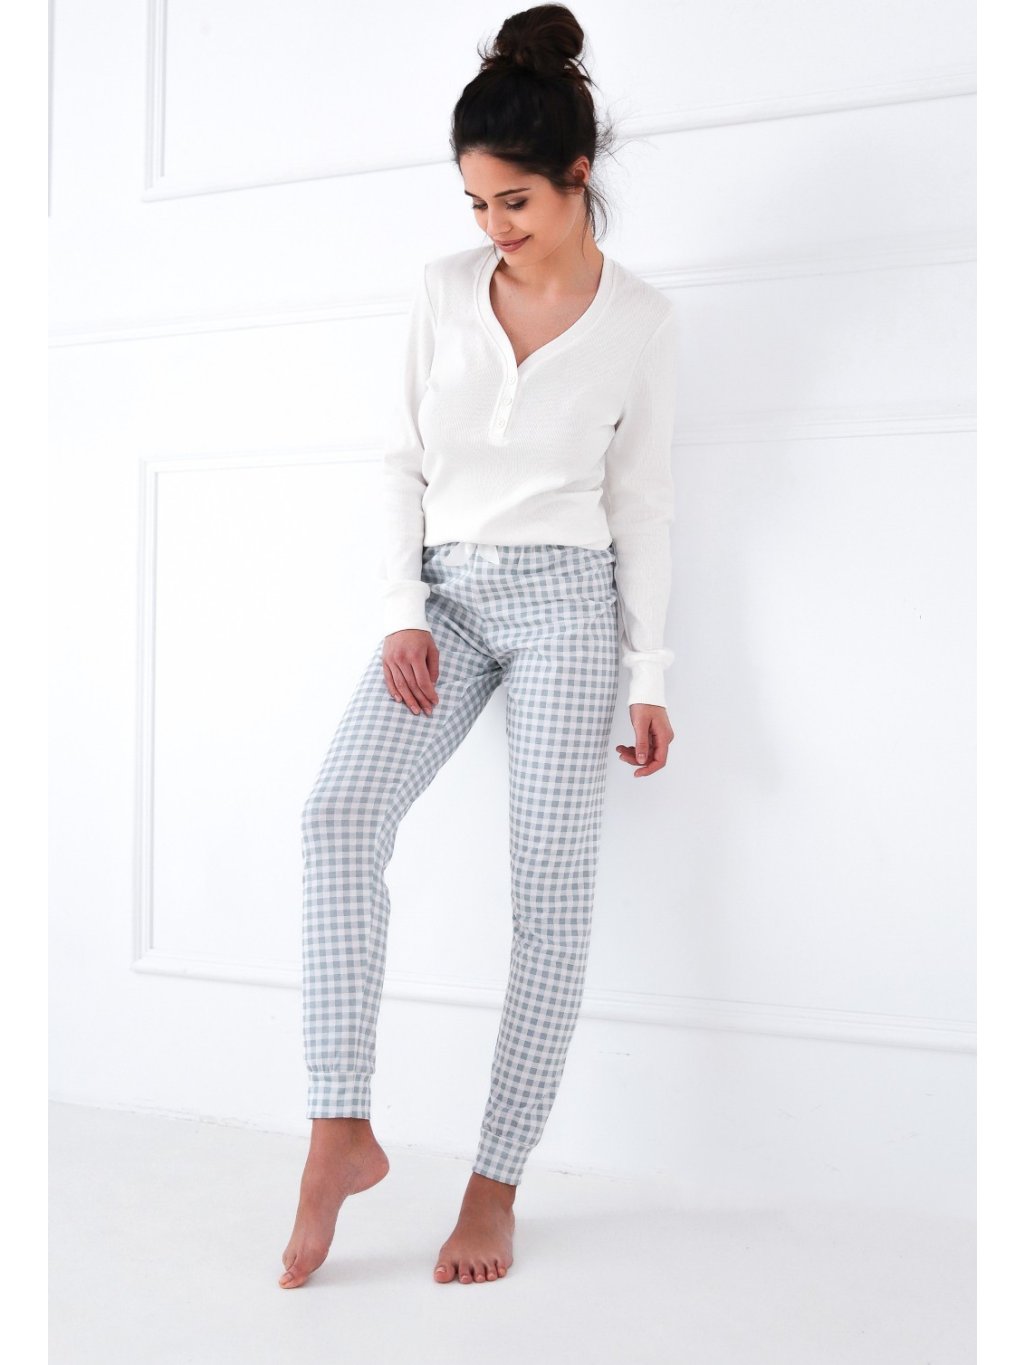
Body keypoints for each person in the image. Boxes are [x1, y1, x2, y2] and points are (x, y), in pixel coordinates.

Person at [280, 2, 678, 1290]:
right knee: (338, 814)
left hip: (568, 608)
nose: (493, 226)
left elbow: (642, 503)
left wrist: (649, 673)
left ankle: (494, 1186)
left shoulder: (641, 319)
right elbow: (395, 459)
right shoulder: (441, 293)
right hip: (446, 599)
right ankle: (340, 1125)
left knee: (548, 905)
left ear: (576, 178)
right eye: (475, 204)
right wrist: (402, 608)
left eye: (515, 201)